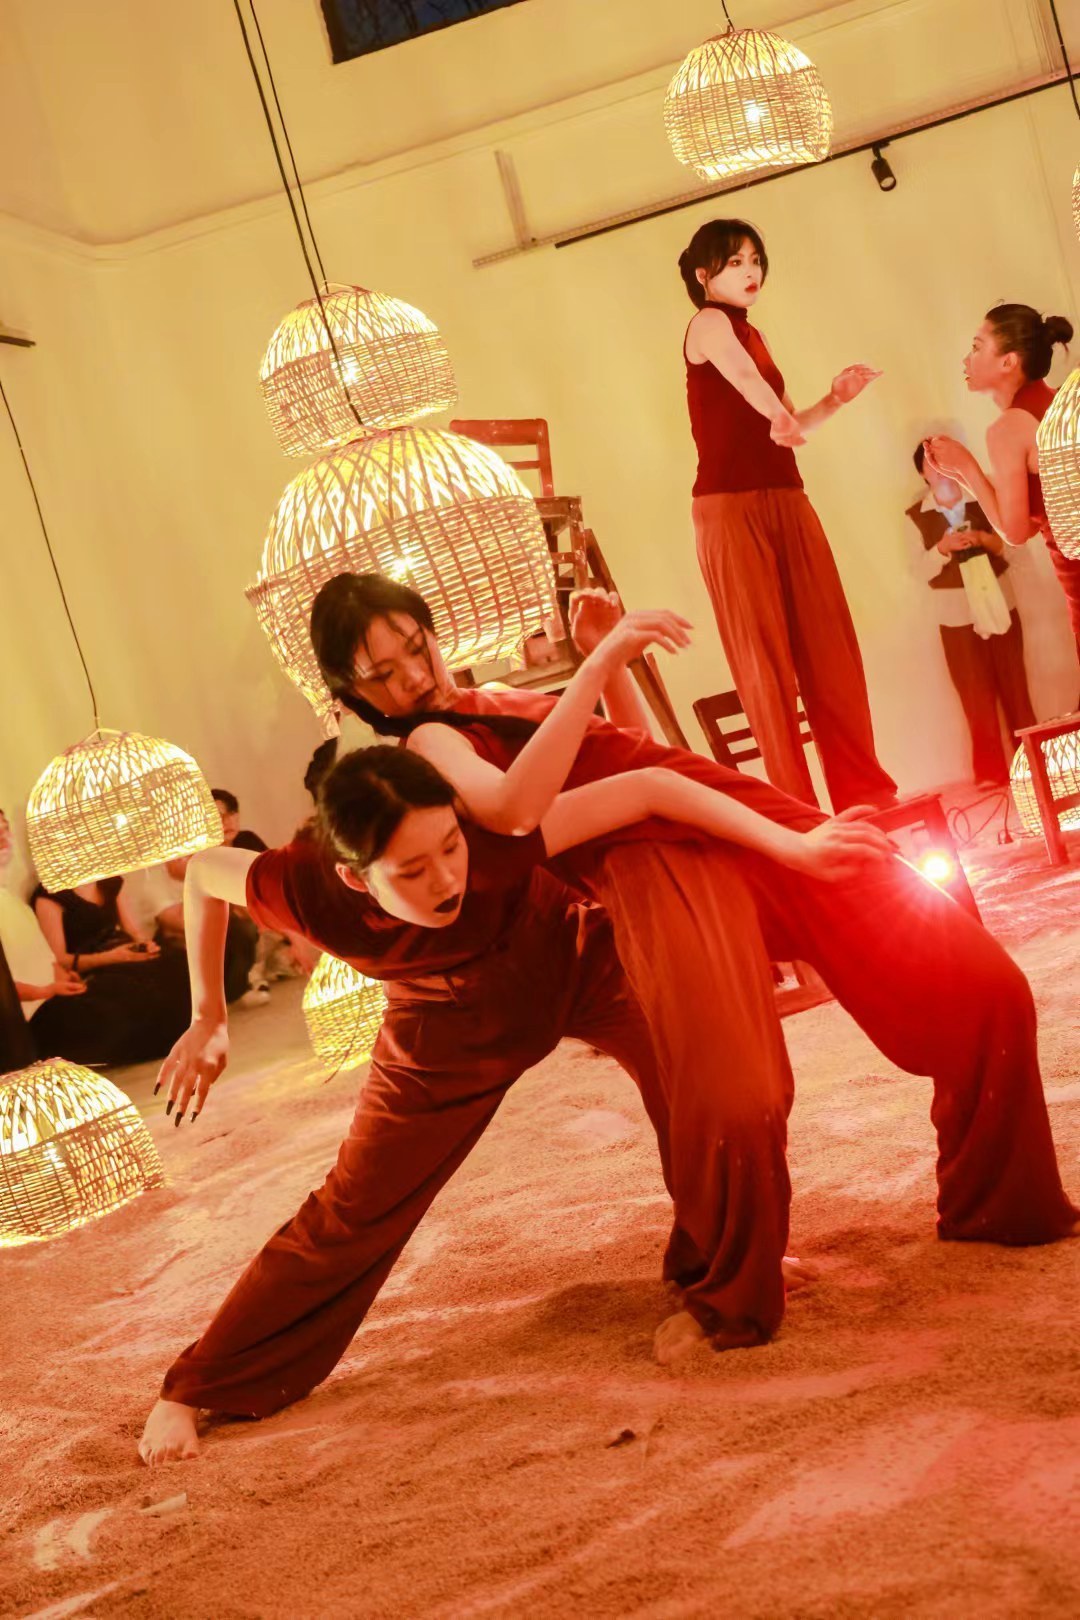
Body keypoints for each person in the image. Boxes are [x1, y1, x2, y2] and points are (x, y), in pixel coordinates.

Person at [311, 570, 1078, 1361]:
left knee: (984, 984)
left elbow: (635, 753)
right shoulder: (429, 743)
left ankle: (996, 1202)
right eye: (383, 674)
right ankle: (728, 1292)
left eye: (418, 646)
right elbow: (515, 809)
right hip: (661, 863)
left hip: (721, 810)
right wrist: (601, 659)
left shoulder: (494, 697)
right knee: (735, 1094)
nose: (414, 676)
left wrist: (608, 667)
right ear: (352, 693)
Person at [139, 722, 860, 1464]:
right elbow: (203, 876)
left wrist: (797, 846)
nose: (446, 879)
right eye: (412, 869)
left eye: (450, 848)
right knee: (357, 1205)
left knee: (706, 1085)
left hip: (573, 957)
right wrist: (208, 1017)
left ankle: (724, 1272)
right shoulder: (303, 885)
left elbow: (650, 788)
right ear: (356, 878)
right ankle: (199, 1384)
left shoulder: (495, 831)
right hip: (447, 1021)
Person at [678, 217, 897, 811]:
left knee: (830, 648)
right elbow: (744, 379)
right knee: (765, 666)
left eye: (755, 260)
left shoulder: (755, 333)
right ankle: (798, 814)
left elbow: (791, 423)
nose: (750, 271)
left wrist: (835, 399)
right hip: (728, 508)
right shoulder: (708, 324)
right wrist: (775, 413)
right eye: (735, 262)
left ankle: (865, 794)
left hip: (786, 496)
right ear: (704, 275)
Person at [924, 303, 1079, 668]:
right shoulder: (1058, 402)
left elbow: (1017, 531)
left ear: (1008, 361)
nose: (966, 359)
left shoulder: (1008, 428)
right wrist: (962, 472)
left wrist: (967, 468)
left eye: (977, 347)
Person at [0, 809, 180, 1067]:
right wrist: (49, 989)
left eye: (5, 828)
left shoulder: (13, 902)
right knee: (122, 1005)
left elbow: (49, 960)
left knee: (169, 973)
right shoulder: (48, 896)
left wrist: (65, 980)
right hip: (37, 1013)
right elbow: (24, 978)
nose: (3, 838)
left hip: (65, 987)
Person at [908, 441, 1035, 786]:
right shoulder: (916, 516)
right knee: (974, 697)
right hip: (955, 616)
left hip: (1001, 605)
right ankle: (991, 773)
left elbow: (1017, 549)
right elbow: (918, 571)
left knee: (1016, 688)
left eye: (942, 460)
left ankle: (1034, 765)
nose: (939, 470)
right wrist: (942, 548)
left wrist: (984, 539)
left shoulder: (982, 498)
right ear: (922, 472)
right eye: (931, 463)